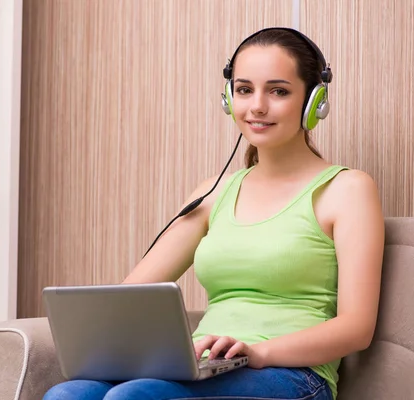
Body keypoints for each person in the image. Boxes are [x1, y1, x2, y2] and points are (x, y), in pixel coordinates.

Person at [44, 27, 384, 400]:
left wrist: (258, 352)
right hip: (203, 365)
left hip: (292, 374)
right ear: (228, 98)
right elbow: (132, 296)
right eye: (243, 89)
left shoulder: (347, 189)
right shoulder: (214, 192)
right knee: (69, 394)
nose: (256, 106)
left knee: (136, 396)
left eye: (278, 91)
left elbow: (356, 327)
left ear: (314, 101)